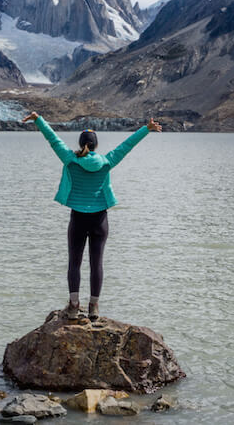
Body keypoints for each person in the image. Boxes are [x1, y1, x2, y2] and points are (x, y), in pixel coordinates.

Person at [22, 111, 162, 321]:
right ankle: (94, 307)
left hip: (78, 218)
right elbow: (126, 145)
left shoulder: (69, 159)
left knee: (74, 263)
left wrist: (38, 119)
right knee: (97, 263)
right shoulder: (107, 161)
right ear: (96, 145)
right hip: (100, 220)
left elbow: (53, 139)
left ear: (80, 144)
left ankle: (73, 306)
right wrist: (146, 129)